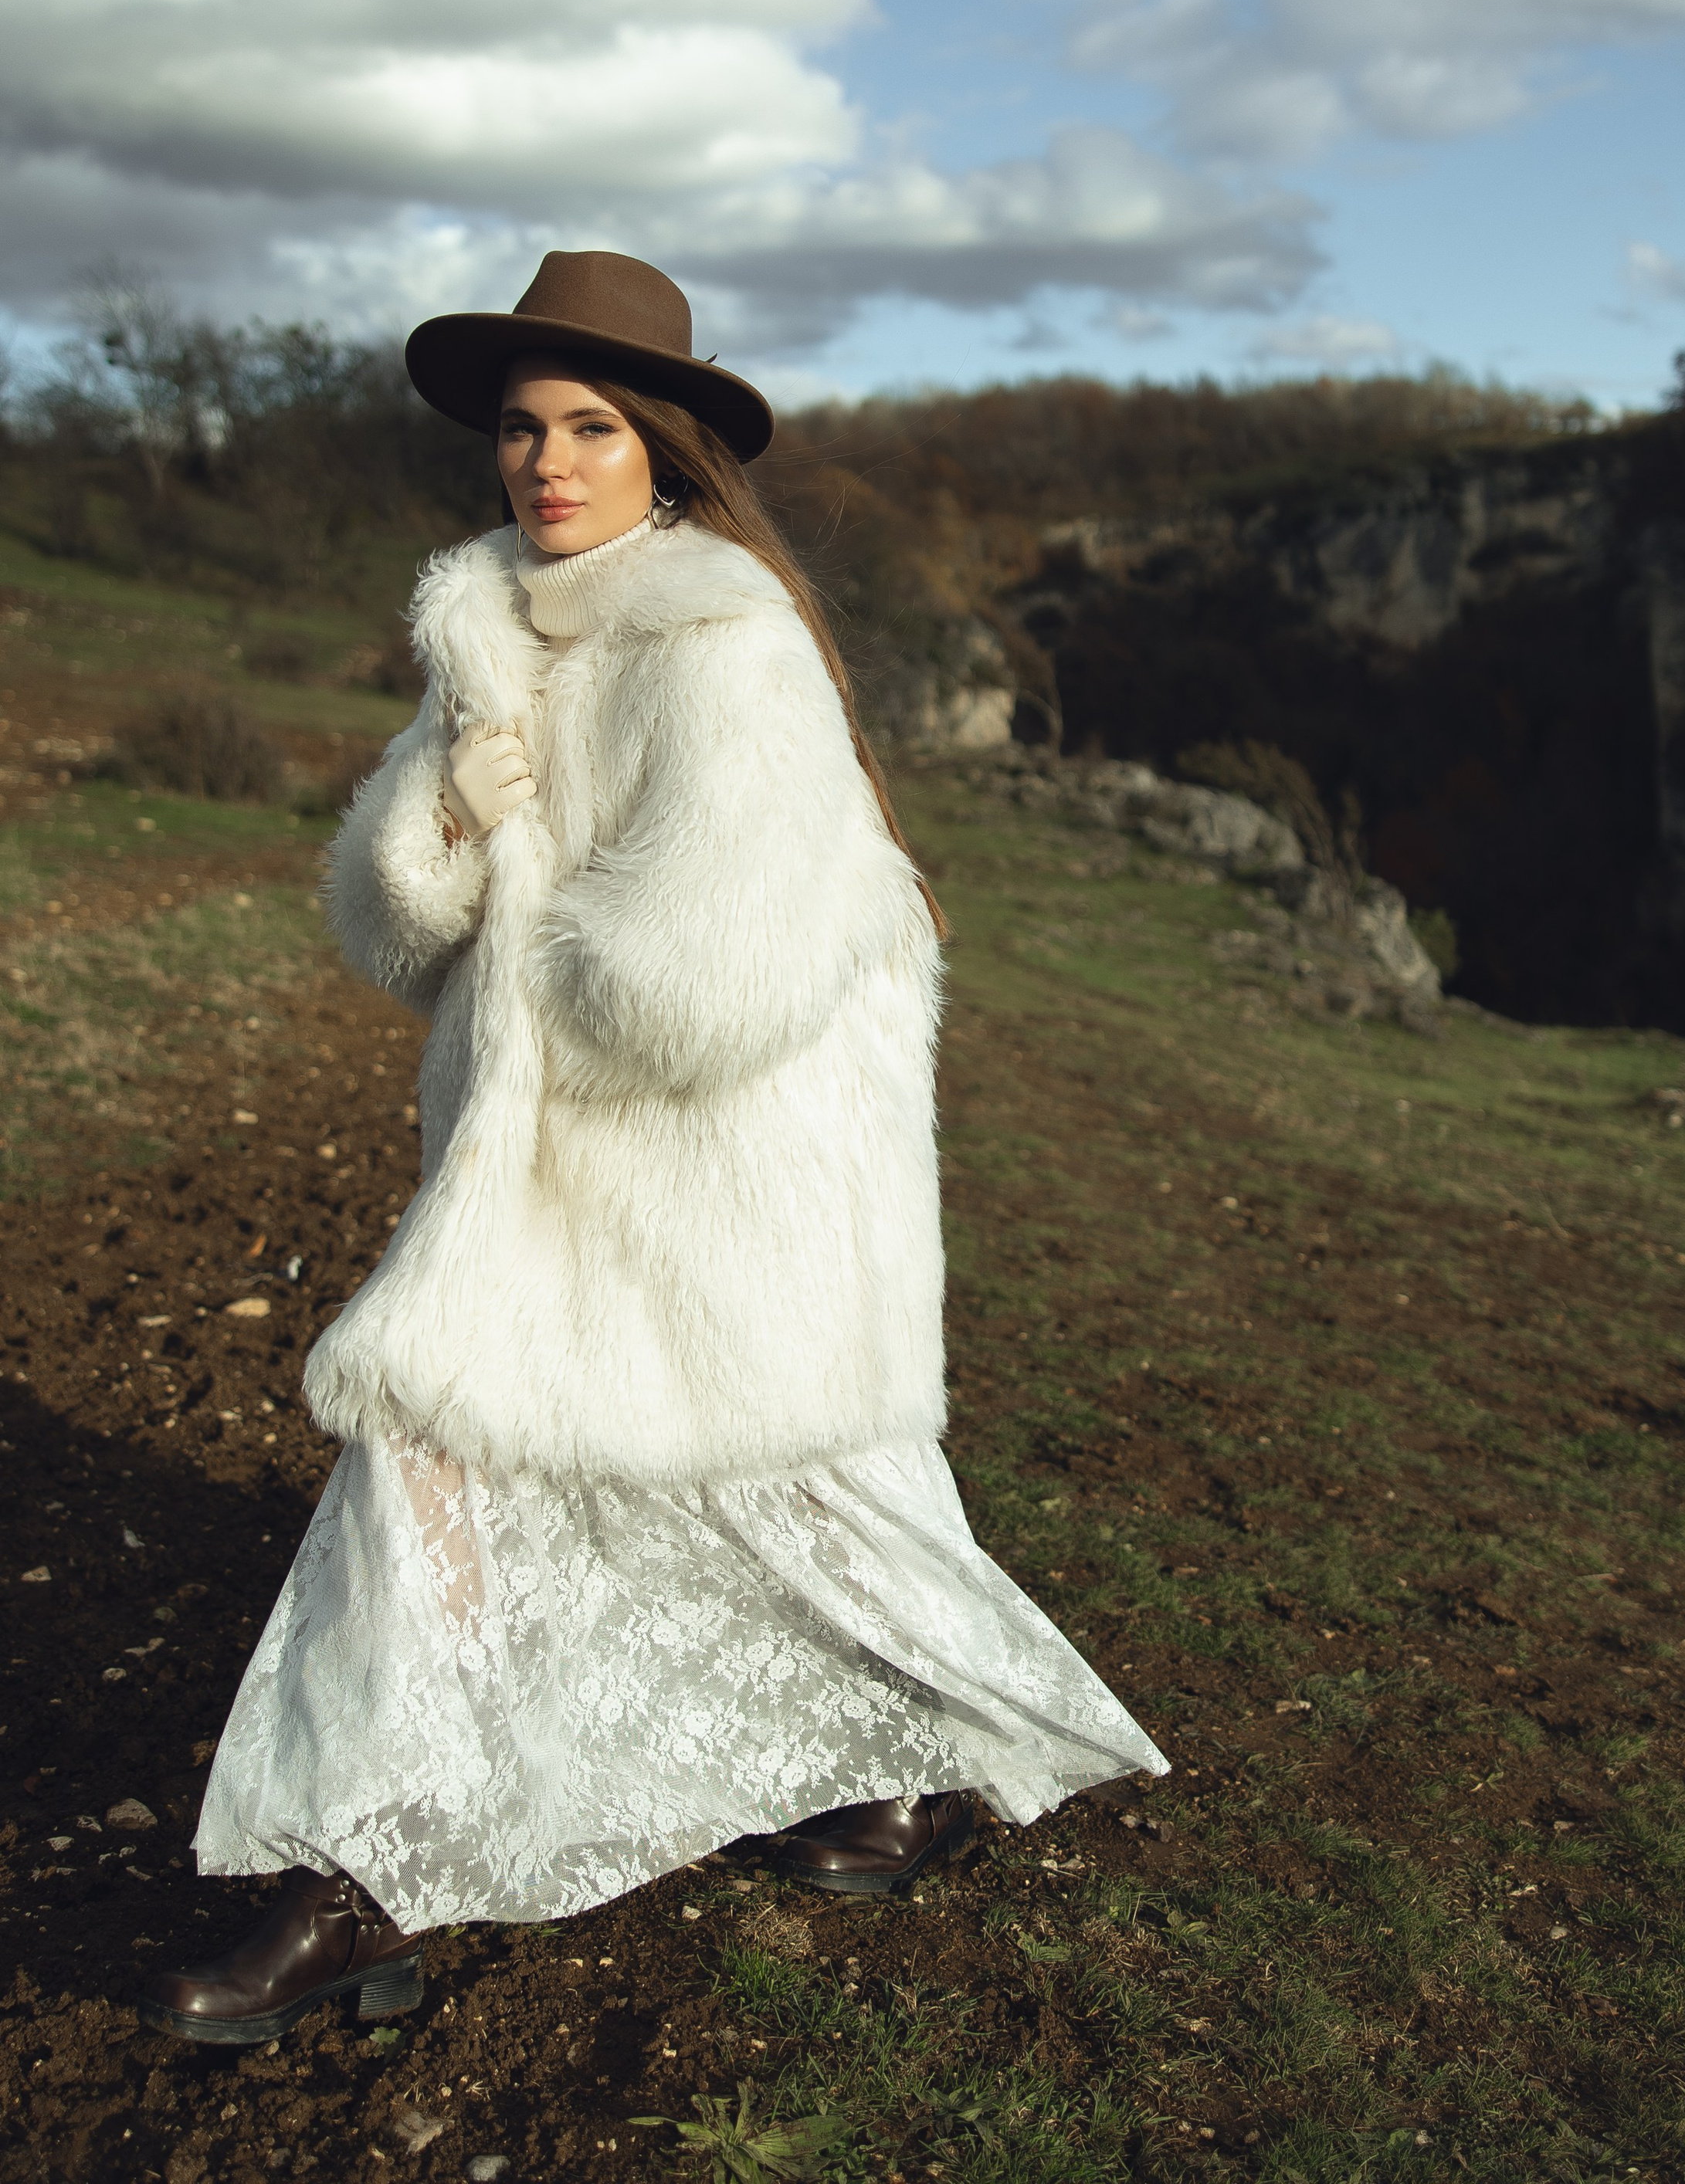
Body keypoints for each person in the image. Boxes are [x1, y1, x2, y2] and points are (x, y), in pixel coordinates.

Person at [140, 250, 1165, 2046]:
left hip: (731, 1156)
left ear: (667, 455)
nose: (546, 463)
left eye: (590, 428)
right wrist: (445, 815)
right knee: (433, 1446)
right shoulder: (490, 632)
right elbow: (394, 933)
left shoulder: (728, 642)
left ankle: (894, 1758)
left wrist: (533, 955)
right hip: (541, 1162)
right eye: (523, 430)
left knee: (809, 1491)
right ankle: (359, 1868)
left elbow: (717, 971)